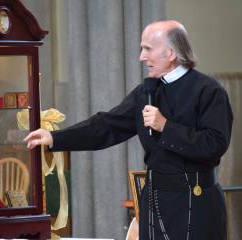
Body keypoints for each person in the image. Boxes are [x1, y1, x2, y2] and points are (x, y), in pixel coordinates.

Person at [24, 20, 233, 240]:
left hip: (196, 203)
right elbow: (107, 126)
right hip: (156, 201)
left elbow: (215, 144)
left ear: (171, 53)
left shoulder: (209, 91)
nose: (142, 57)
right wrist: (55, 138)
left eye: (147, 49)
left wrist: (165, 126)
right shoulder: (147, 91)